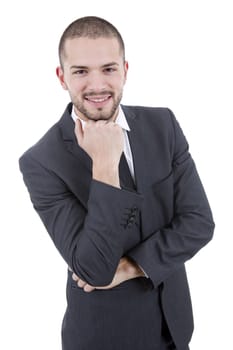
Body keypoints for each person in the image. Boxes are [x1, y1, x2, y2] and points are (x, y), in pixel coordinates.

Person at [19, 16, 215, 350]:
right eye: (81, 71)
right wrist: (105, 165)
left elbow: (199, 224)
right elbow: (94, 269)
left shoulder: (162, 125)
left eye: (108, 69)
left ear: (125, 69)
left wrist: (130, 268)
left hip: (176, 328)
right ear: (61, 77)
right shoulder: (41, 161)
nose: (96, 85)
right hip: (104, 337)